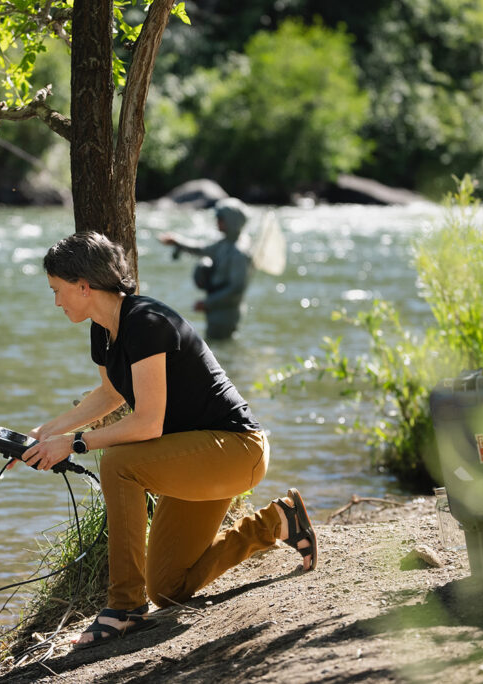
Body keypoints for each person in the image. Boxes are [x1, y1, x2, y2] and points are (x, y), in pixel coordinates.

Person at [19, 231, 317, 651]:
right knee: (169, 588)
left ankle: (123, 606)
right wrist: (45, 433)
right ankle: (278, 521)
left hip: (235, 451)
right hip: (197, 457)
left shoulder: (145, 322)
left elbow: (148, 424)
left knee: (117, 463)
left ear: (83, 286)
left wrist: (76, 443)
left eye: (58, 291)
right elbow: (110, 395)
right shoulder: (103, 331)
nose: (56, 302)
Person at [158, 197, 252, 340]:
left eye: (220, 218)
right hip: (217, 307)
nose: (217, 221)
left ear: (231, 220)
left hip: (226, 312)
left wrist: (207, 303)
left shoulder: (238, 252)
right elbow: (202, 249)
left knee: (220, 345)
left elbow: (236, 288)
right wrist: (177, 242)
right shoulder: (225, 243)